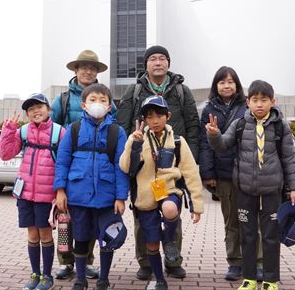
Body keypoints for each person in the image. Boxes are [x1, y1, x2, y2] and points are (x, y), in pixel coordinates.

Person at [206, 80, 295, 290]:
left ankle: (270, 280)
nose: (259, 104)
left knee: (270, 236)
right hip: (245, 189)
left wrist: (294, 188)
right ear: (248, 102)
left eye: (264, 100)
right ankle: (248, 279)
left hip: (271, 191)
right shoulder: (239, 124)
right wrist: (213, 134)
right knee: (247, 235)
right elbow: (222, 146)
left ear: (273, 101)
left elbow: (289, 159)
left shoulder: (280, 126)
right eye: (255, 100)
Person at [117, 45, 199, 280]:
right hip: (141, 164)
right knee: (143, 215)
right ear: (146, 65)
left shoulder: (182, 91)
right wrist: (128, 155)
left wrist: (186, 159)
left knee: (171, 211)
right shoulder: (134, 90)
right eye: (152, 58)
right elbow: (122, 125)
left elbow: (193, 125)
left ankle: (173, 261)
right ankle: (145, 261)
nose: (158, 62)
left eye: (162, 58)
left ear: (168, 64)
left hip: (172, 163)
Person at [53, 83, 129, 290]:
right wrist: (60, 190)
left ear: (110, 106)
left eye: (103, 100)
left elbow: (121, 166)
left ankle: (103, 279)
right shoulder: (74, 129)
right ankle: (80, 279)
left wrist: (121, 197)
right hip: (77, 195)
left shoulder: (117, 132)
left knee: (108, 237)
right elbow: (62, 161)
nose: (98, 104)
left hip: (106, 197)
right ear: (84, 105)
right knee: (81, 237)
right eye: (93, 100)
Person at [50, 49, 111, 280]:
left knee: (92, 220)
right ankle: (66, 263)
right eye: (83, 67)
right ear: (75, 70)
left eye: (92, 68)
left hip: (96, 172)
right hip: (69, 168)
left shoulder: (105, 98)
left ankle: (86, 262)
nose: (87, 71)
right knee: (66, 221)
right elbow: (51, 130)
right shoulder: (63, 99)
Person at [0, 93, 65, 290]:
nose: (36, 111)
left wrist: (61, 191)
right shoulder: (23, 132)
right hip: (26, 193)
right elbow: (5, 154)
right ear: (27, 113)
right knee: (32, 234)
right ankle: (35, 274)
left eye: (40, 106)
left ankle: (47, 276)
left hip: (47, 195)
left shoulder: (59, 132)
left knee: (45, 234)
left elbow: (64, 163)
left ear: (49, 109)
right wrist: (9, 129)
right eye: (31, 108)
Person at [199, 66, 254, 282]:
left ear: (237, 85)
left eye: (231, 81)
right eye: (222, 82)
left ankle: (256, 263)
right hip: (223, 174)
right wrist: (208, 173)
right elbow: (205, 143)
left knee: (252, 221)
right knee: (231, 221)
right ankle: (235, 263)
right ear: (216, 86)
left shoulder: (247, 106)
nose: (227, 85)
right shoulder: (208, 109)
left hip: (249, 173)